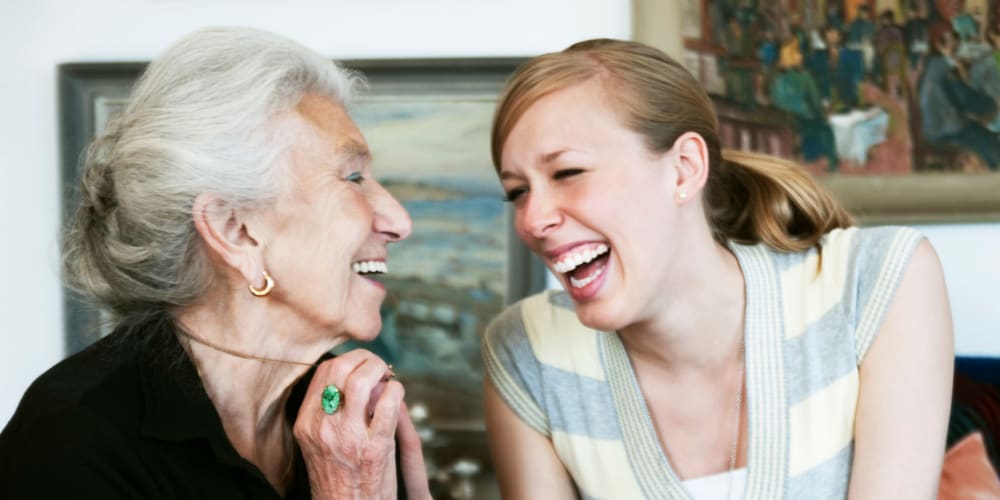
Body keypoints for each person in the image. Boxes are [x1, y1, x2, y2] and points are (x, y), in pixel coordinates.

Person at [481, 38, 953, 499]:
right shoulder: (527, 351)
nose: (533, 219)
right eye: (518, 191)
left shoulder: (879, 280)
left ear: (685, 168)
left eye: (567, 173)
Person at [0, 27, 430, 499]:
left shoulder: (350, 423)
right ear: (234, 232)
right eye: (353, 177)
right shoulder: (72, 438)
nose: (398, 220)